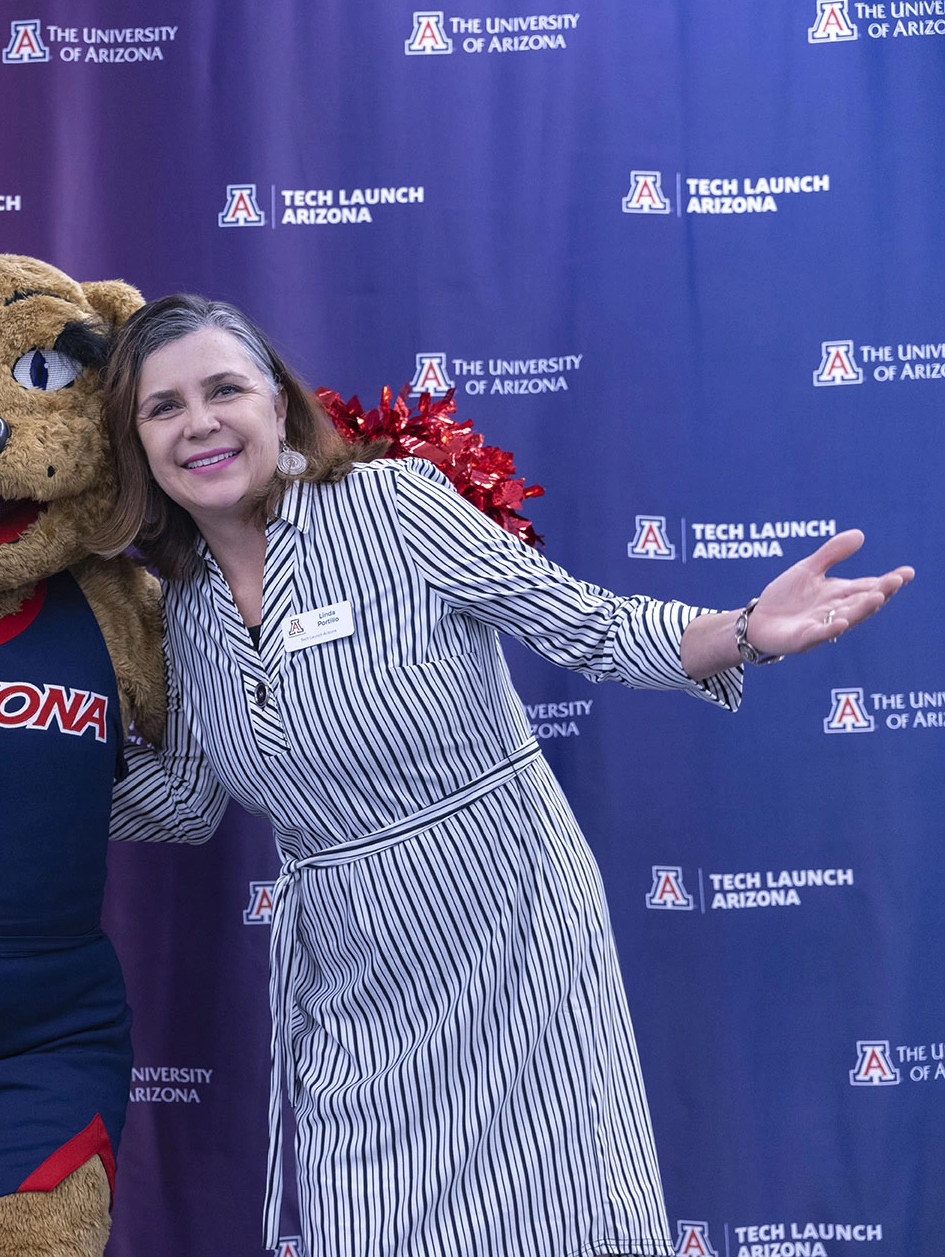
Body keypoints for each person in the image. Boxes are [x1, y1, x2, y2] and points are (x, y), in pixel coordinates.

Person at [94, 294, 913, 1257]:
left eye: (224, 388)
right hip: (347, 970)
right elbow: (187, 799)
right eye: (164, 406)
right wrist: (7, 772)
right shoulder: (181, 609)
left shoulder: (391, 507)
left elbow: (589, 626)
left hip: (506, 924)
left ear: (279, 404)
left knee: (547, 1216)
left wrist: (743, 630)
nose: (200, 423)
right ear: (137, 443)